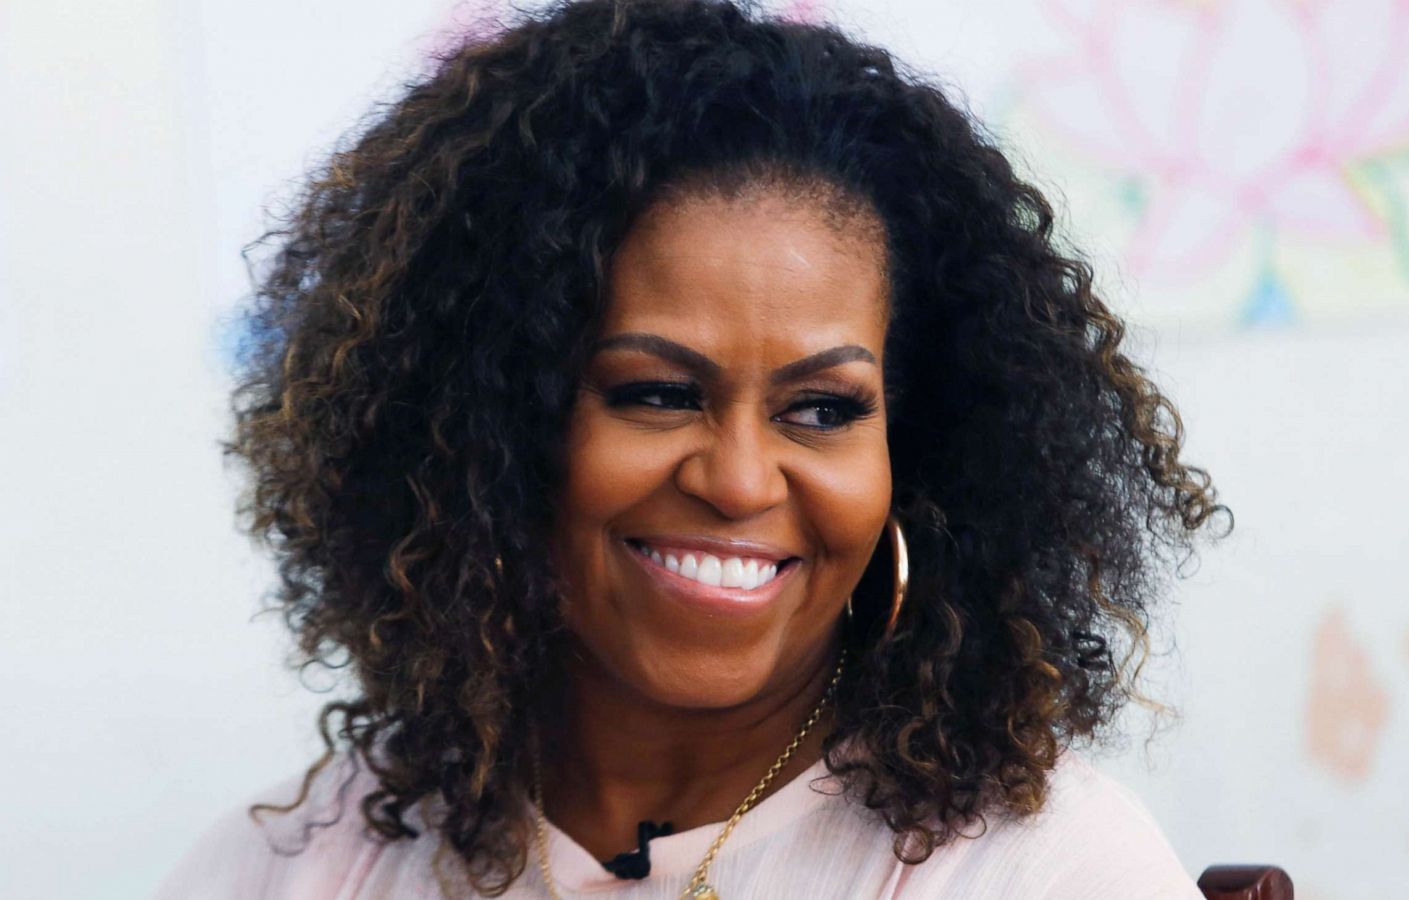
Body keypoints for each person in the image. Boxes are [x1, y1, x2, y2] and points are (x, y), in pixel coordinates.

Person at [156, 0, 1230, 896]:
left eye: (822, 410)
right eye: (659, 394)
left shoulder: (1039, 869)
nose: (738, 480)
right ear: (491, 435)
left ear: (923, 453)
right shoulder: (303, 864)